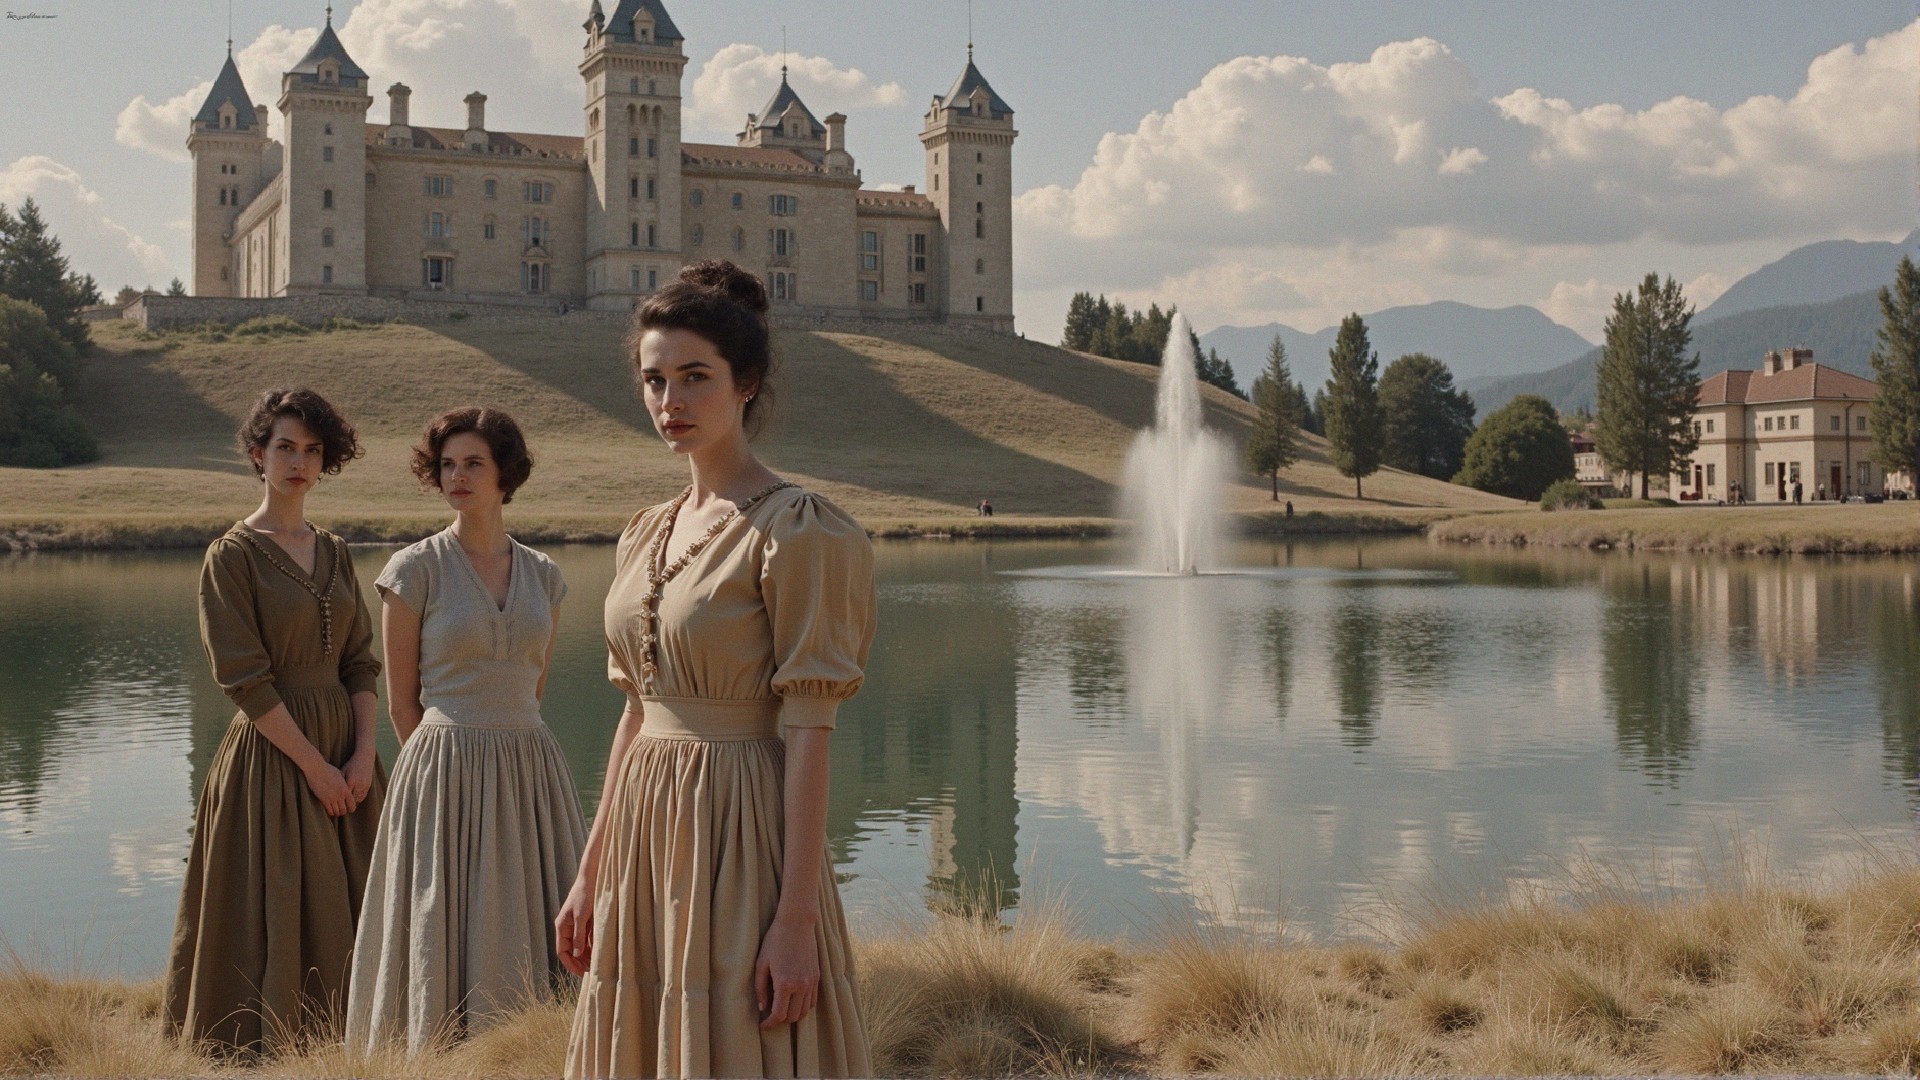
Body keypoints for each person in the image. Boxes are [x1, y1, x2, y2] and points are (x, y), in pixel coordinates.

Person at [558, 260, 875, 1078]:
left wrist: (796, 919)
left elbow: (810, 730)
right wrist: (590, 873)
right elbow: (636, 712)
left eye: (695, 377)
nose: (672, 401)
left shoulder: (800, 530)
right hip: (642, 830)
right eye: (655, 380)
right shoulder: (644, 531)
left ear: (747, 384)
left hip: (743, 829)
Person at [346, 407, 587, 1053]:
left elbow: (532, 684)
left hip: (532, 768)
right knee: (442, 919)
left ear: (505, 472)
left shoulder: (545, 576)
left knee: (536, 913)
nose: (458, 475)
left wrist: (507, 736)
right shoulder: (413, 570)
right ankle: (436, 1052)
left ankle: (535, 1052)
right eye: (447, 464)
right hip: (444, 769)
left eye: (473, 462)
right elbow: (403, 703)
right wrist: (443, 769)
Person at [164, 388, 384, 1056]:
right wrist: (314, 767)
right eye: (285, 447)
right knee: (280, 899)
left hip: (350, 751)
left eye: (313, 450)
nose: (298, 462)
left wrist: (362, 757)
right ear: (258, 455)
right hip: (274, 754)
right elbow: (244, 681)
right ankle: (262, 1046)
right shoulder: (229, 556)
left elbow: (360, 663)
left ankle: (359, 1042)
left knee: (360, 898)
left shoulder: (336, 551)